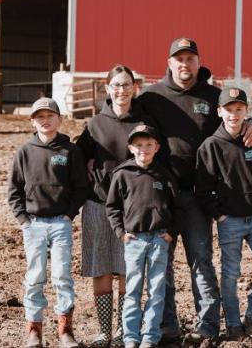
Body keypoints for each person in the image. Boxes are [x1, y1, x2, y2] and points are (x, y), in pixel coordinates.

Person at [138, 38, 252, 343]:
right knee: (161, 264)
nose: (185, 64)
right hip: (160, 196)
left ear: (198, 61)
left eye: (190, 58)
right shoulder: (151, 96)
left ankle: (207, 325)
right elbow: (121, 112)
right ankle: (166, 327)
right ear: (169, 63)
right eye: (179, 59)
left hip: (196, 196)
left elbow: (234, 117)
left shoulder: (212, 96)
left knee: (201, 261)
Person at [195, 87, 252, 342]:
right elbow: (203, 188)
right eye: (229, 110)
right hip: (229, 222)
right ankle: (233, 325)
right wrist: (220, 215)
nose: (234, 115)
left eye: (239, 109)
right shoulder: (210, 147)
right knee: (231, 274)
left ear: (246, 111)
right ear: (219, 112)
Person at [76, 65, 154, 347]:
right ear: (107, 88)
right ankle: (104, 331)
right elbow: (77, 157)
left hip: (132, 208)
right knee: (101, 267)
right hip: (98, 203)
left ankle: (124, 329)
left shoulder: (144, 122)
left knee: (127, 269)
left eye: (126, 84)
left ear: (135, 87)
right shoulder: (96, 124)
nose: (121, 90)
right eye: (116, 85)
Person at [7, 97, 89, 348]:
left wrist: (68, 215)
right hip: (33, 224)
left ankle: (65, 330)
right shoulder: (25, 152)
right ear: (33, 121)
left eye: (50, 116)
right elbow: (14, 189)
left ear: (59, 119)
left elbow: (81, 187)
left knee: (62, 276)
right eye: (39, 116)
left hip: (60, 224)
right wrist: (23, 220)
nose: (45, 120)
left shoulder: (69, 151)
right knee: (34, 276)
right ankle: (34, 329)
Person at [106, 124, 178, 348]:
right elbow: (112, 207)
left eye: (148, 145)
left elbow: (178, 206)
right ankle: (131, 336)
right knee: (133, 289)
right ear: (130, 147)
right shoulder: (122, 174)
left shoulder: (164, 174)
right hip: (134, 240)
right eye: (138, 145)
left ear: (157, 147)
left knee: (157, 289)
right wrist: (121, 232)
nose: (143, 149)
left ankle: (150, 335)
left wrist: (171, 232)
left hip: (159, 239)